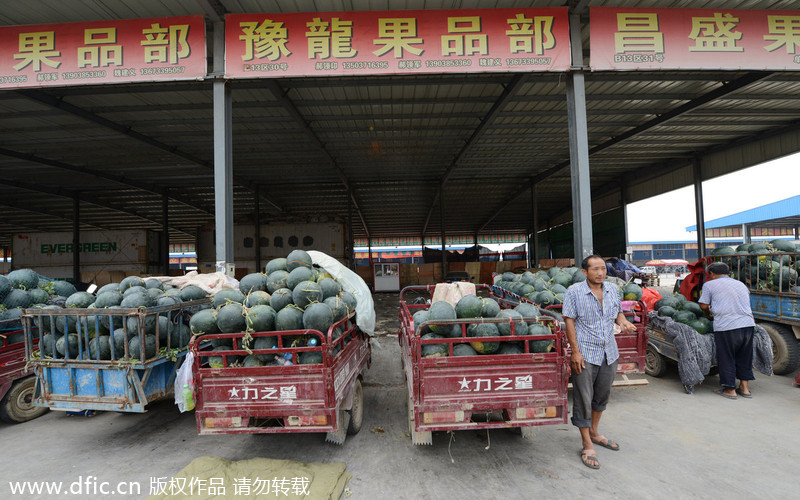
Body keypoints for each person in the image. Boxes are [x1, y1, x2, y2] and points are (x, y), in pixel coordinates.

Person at [562, 255, 637, 470]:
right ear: (585, 272)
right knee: (584, 398)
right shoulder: (574, 291)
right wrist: (575, 352)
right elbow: (569, 321)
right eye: (595, 269)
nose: (600, 273)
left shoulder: (613, 289)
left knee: (602, 395)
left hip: (609, 352)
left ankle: (594, 432)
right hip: (585, 352)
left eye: (603, 268)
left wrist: (623, 322)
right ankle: (586, 443)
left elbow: (618, 313)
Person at [698, 261, 756, 400]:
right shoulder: (740, 284)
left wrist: (709, 311)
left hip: (727, 326)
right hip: (748, 324)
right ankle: (745, 388)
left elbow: (704, 305)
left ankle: (729, 389)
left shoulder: (709, 285)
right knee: (744, 356)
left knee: (727, 357)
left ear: (711, 273)